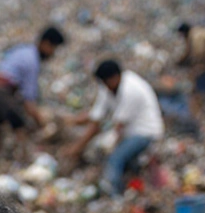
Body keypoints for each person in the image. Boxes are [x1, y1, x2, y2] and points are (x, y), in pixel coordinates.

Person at [63, 60, 165, 197]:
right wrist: (71, 122)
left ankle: (114, 195)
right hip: (129, 132)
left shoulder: (131, 89)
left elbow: (116, 125)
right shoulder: (107, 87)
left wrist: (79, 147)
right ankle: (134, 190)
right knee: (129, 163)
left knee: (115, 159)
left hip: (145, 132)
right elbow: (96, 117)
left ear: (115, 77)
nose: (104, 86)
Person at [0, 26, 65, 155]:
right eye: (53, 48)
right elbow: (29, 101)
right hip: (0, 91)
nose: (52, 53)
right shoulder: (32, 61)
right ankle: (24, 157)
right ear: (46, 43)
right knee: (19, 121)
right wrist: (42, 124)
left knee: (1, 121)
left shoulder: (24, 50)